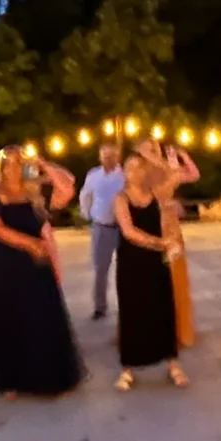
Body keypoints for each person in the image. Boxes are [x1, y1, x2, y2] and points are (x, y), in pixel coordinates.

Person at [0, 146, 83, 399]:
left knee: (41, 317)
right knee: (9, 319)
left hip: (36, 264)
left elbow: (68, 186)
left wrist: (43, 163)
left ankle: (46, 378)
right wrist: (31, 244)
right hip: (6, 264)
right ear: (2, 167)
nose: (14, 168)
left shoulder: (33, 190)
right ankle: (11, 381)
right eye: (9, 163)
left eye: (19, 162)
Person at [113, 144, 189, 391]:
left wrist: (150, 157)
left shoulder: (157, 193)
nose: (135, 172)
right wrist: (161, 243)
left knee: (163, 309)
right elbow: (129, 232)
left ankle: (173, 364)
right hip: (132, 263)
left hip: (156, 262)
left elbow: (175, 174)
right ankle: (128, 369)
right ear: (123, 173)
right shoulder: (120, 199)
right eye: (130, 168)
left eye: (139, 168)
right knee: (133, 312)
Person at [151, 145, 200, 347]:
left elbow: (194, 175)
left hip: (170, 227)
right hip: (150, 224)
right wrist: (164, 204)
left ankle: (177, 329)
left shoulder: (169, 170)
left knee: (175, 275)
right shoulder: (140, 173)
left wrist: (183, 156)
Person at [79, 144, 125, 320]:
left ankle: (126, 304)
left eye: (112, 156)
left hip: (122, 228)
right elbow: (85, 195)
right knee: (100, 269)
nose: (108, 159)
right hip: (101, 227)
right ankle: (100, 306)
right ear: (100, 158)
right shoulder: (94, 175)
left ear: (118, 157)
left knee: (125, 269)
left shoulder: (124, 176)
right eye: (105, 156)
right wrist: (88, 214)